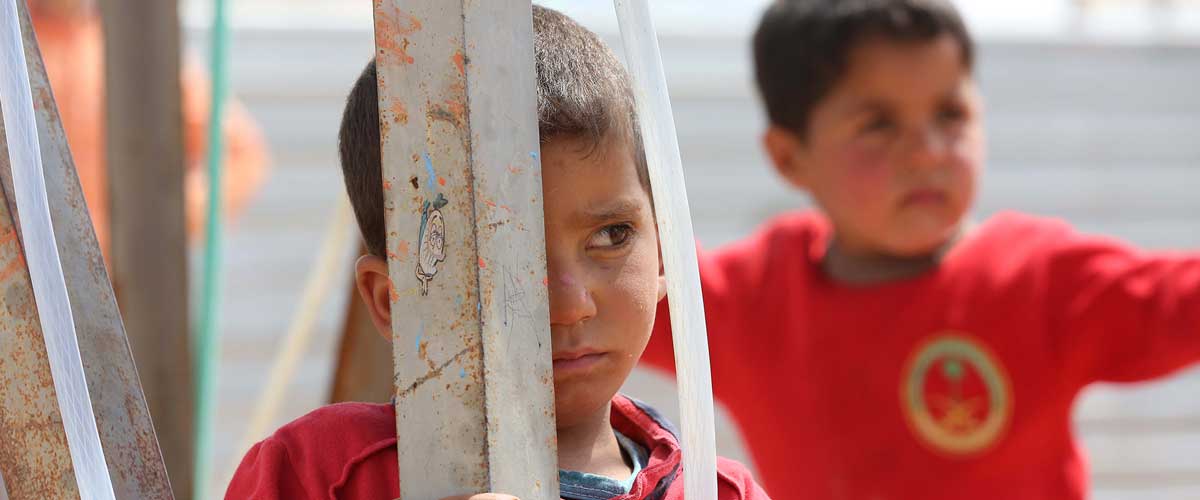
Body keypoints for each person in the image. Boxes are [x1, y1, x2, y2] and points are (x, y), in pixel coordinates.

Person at [641, 1, 1200, 498]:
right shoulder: (750, 302)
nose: (929, 152)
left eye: (950, 115)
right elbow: (608, 277)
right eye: (879, 125)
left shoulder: (1039, 278)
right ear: (789, 157)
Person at [225, 6, 769, 500]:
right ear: (392, 301)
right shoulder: (321, 471)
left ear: (664, 255)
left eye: (612, 235)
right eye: (507, 259)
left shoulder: (719, 491)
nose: (570, 304)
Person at [30, 0, 269, 257]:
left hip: (116, 280)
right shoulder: (12, 45)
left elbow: (241, 155)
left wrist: (165, 216)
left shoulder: (137, 48)